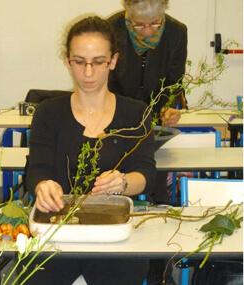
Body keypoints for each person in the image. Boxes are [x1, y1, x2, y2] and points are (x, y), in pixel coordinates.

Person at [24, 16, 156, 285]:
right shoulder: (49, 113)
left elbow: (145, 174)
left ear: (113, 61)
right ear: (67, 62)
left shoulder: (136, 113)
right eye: (79, 62)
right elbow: (36, 169)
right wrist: (43, 186)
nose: (88, 73)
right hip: (57, 233)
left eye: (98, 62)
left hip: (114, 235)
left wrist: (123, 182)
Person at [108, 0, 188, 204]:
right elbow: (107, 79)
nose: (147, 31)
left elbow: (174, 81)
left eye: (155, 23)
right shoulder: (111, 29)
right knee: (117, 180)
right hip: (118, 115)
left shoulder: (176, 32)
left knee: (156, 177)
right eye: (139, 25)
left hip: (156, 120)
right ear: (128, 16)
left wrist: (170, 107)